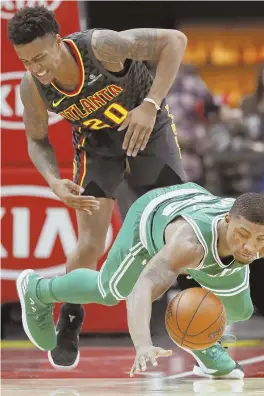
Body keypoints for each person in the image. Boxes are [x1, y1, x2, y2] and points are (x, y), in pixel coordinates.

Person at [17, 182, 264, 389]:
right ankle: (39, 290)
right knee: (112, 291)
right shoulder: (189, 243)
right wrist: (142, 344)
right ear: (226, 221)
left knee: (240, 308)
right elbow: (144, 288)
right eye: (243, 234)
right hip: (153, 219)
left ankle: (200, 341)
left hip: (197, 211)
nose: (251, 247)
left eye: (259, 239)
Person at [8, 6, 187, 369]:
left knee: (178, 228)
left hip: (145, 128)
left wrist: (151, 104)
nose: (36, 68)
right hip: (96, 144)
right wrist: (53, 181)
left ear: (58, 42)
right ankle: (70, 320)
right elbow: (36, 139)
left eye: (40, 57)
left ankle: (197, 325)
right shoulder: (33, 87)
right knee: (90, 243)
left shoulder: (102, 46)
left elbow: (175, 41)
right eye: (27, 61)